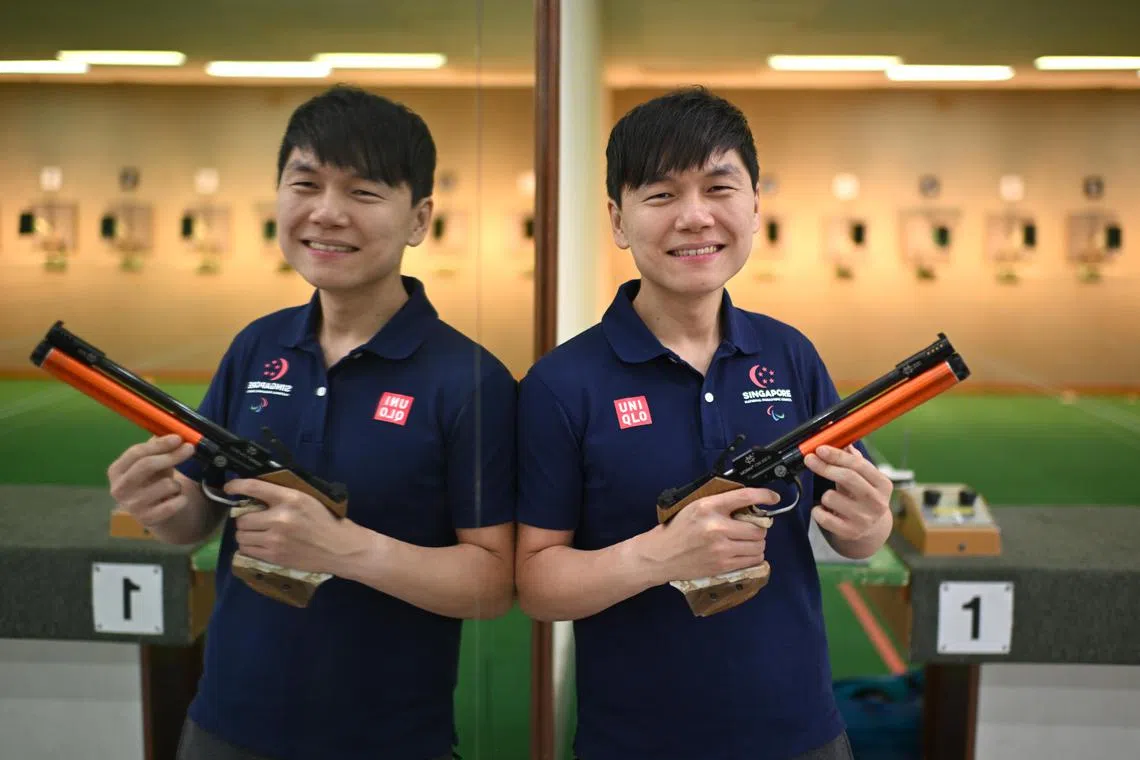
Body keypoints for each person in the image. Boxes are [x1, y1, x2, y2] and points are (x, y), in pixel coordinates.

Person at [105, 85, 517, 760]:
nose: (327, 213)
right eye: (306, 183)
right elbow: (197, 519)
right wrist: (160, 503)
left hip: (387, 740)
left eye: (363, 192)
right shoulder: (258, 346)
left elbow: (493, 585)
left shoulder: (470, 381)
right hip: (224, 723)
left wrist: (343, 549)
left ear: (419, 219)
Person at [515, 86, 893, 760]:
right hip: (635, 740)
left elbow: (857, 533)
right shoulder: (561, 384)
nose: (695, 217)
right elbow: (538, 584)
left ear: (753, 206)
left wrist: (873, 523)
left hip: (801, 730)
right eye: (660, 195)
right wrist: (657, 557)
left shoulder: (790, 355)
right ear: (619, 220)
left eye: (719, 188)